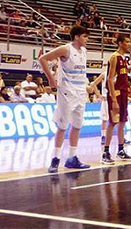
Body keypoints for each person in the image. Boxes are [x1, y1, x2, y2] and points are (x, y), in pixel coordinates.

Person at [38, 25, 92, 173]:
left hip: (81, 92)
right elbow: (43, 59)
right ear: (76, 37)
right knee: (62, 126)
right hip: (67, 92)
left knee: (77, 125)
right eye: (85, 36)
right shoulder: (65, 49)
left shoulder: (84, 51)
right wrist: (51, 78)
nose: (87, 39)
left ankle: (72, 158)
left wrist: (87, 86)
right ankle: (55, 159)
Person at [102, 34, 131, 164]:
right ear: (120, 43)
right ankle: (105, 152)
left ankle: (121, 150)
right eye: (127, 42)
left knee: (122, 122)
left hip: (123, 93)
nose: (129, 44)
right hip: (115, 94)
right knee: (113, 122)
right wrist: (114, 99)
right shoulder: (114, 57)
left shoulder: (123, 58)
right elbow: (110, 79)